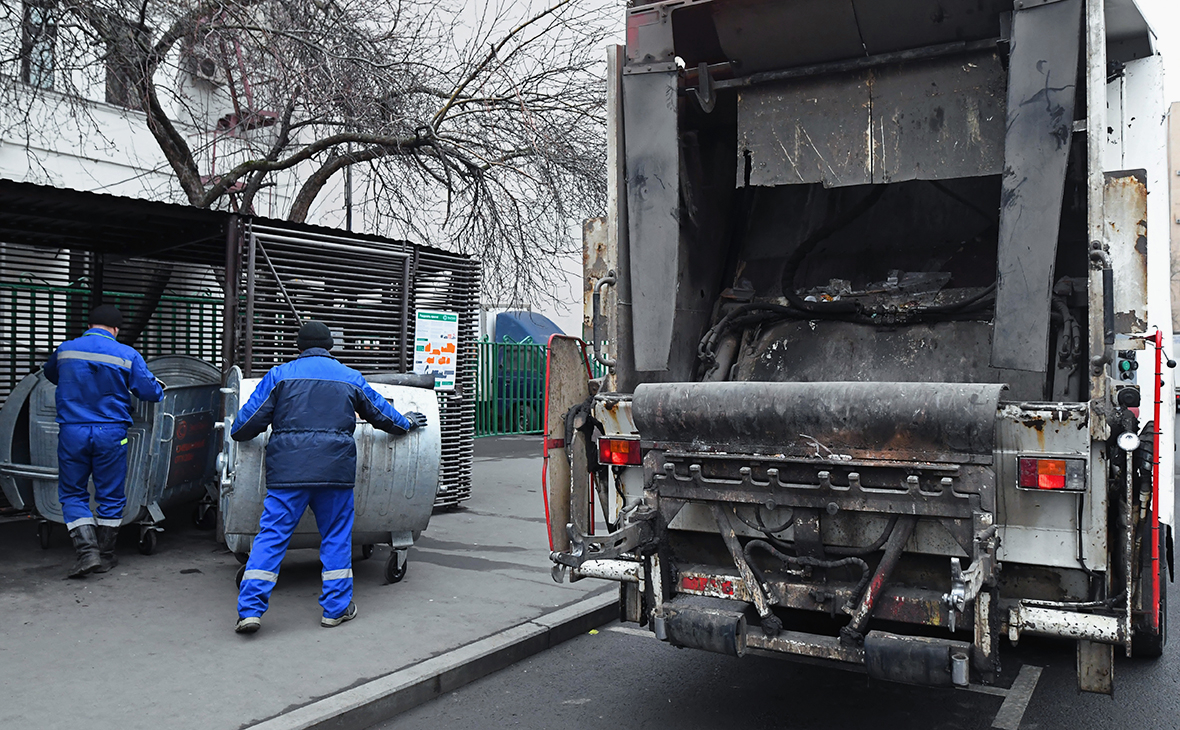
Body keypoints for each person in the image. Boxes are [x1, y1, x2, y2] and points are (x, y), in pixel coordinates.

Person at [230, 320, 428, 634]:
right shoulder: (350, 378)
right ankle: (335, 610)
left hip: (288, 475)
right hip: (334, 473)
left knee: (271, 538)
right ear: (330, 346)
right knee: (336, 537)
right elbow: (382, 415)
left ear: (299, 347)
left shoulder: (279, 376)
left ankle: (250, 611)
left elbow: (244, 426)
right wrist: (408, 423)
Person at [42, 304, 164, 578]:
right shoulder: (127, 354)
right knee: (110, 492)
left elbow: (51, 375)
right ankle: (106, 554)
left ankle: (87, 553)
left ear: (89, 324)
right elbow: (151, 392)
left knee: (73, 492)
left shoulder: (66, 349)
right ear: (116, 329)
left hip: (73, 431)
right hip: (111, 433)